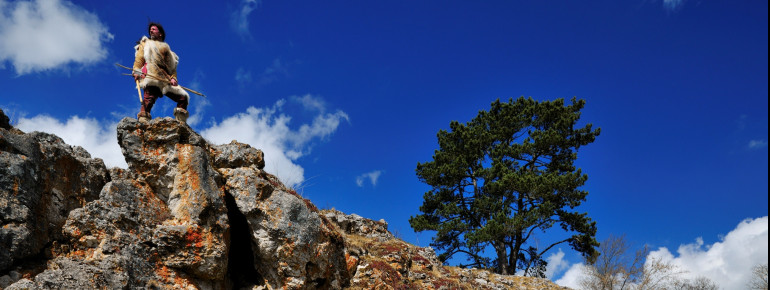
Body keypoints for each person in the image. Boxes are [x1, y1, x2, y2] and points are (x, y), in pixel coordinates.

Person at [132, 22, 189, 123]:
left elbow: (173, 68)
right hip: (151, 74)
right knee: (149, 100)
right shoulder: (145, 43)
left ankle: (180, 122)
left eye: (154, 29)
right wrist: (136, 71)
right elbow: (139, 59)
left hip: (165, 78)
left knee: (183, 97)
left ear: (160, 33)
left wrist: (173, 78)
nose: (151, 31)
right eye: (150, 30)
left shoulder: (169, 52)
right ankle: (143, 122)